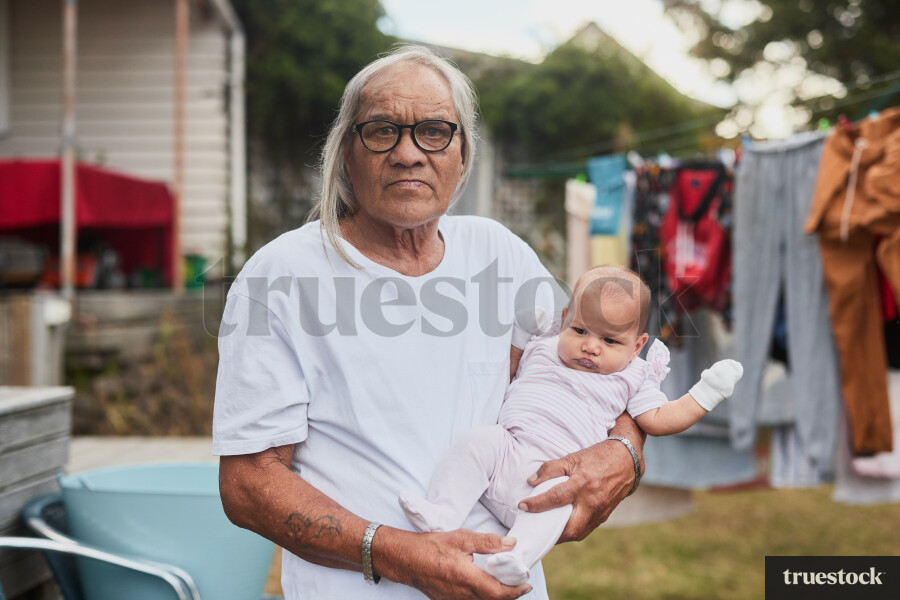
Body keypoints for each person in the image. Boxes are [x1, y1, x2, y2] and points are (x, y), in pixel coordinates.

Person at [213, 45, 646, 600]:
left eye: (435, 131)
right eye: (382, 130)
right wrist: (401, 555)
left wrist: (624, 452)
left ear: (462, 154)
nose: (408, 153)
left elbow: (609, 359)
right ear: (347, 152)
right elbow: (248, 485)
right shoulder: (279, 275)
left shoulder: (499, 252)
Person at [398, 265, 744, 586]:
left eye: (610, 341)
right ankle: (442, 513)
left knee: (559, 505)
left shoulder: (632, 375)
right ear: (565, 319)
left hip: (556, 475)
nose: (590, 346)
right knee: (478, 442)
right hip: (508, 449)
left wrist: (705, 394)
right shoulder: (544, 345)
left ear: (637, 346)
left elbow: (659, 419)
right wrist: (522, 324)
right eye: (580, 330)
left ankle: (516, 555)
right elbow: (509, 364)